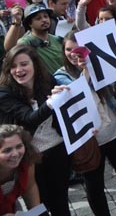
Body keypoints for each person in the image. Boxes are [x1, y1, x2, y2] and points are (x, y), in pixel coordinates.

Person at [54, 33, 116, 216]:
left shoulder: (99, 66)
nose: (73, 53)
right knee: (94, 187)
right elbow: (78, 94)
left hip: (114, 130)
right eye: (68, 49)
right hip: (89, 139)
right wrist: (85, 71)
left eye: (77, 49)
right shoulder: (60, 76)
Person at [0, 45, 69, 216]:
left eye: (23, 64)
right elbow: (30, 118)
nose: (19, 70)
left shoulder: (47, 82)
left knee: (61, 203)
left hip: (57, 150)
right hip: (29, 157)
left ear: (35, 65)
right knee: (40, 205)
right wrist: (52, 102)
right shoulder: (4, 93)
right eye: (13, 66)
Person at [0, 124, 41, 215]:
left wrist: (37, 213)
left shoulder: (26, 159)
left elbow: (30, 187)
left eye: (19, 146)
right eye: (7, 150)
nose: (15, 154)